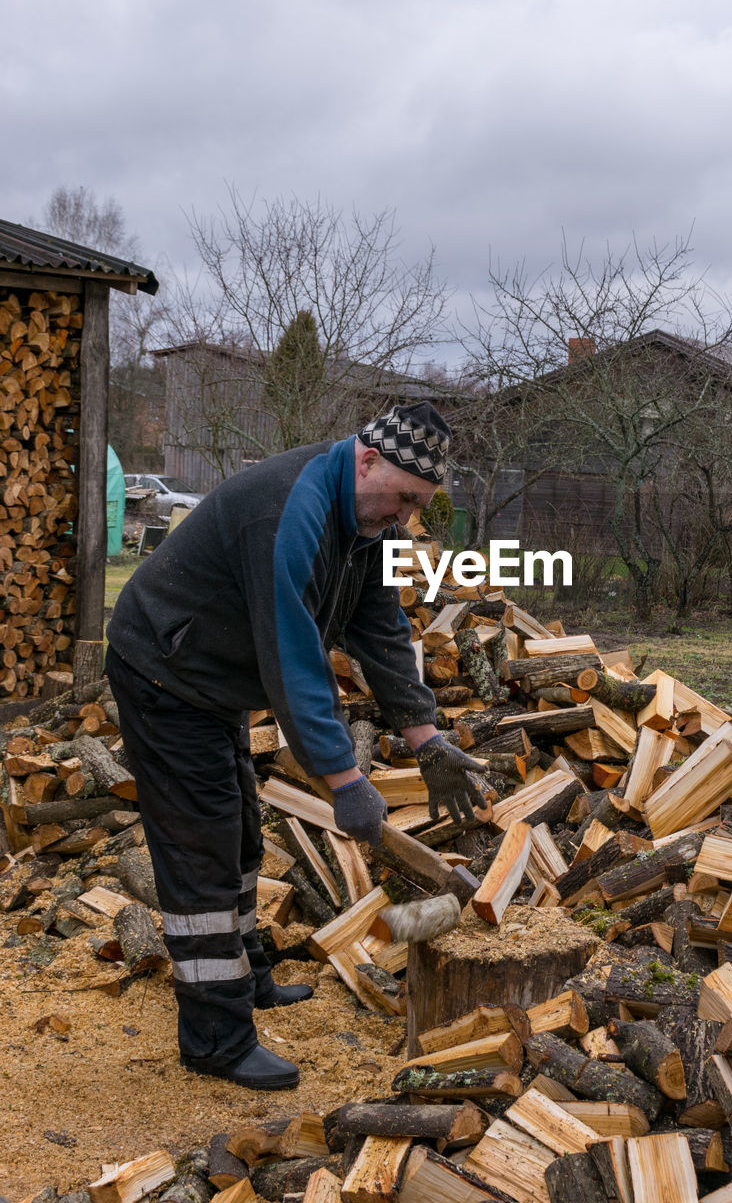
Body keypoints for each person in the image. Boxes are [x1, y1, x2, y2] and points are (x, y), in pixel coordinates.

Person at [105, 402, 488, 1090]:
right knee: (204, 852)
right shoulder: (291, 511)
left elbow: (379, 628)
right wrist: (344, 780)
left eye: (419, 506)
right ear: (368, 460)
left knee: (242, 836)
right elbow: (295, 657)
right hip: (163, 671)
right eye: (404, 499)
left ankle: (248, 978)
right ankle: (215, 1040)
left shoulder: (362, 520)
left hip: (210, 679)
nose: (405, 518)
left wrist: (426, 738)